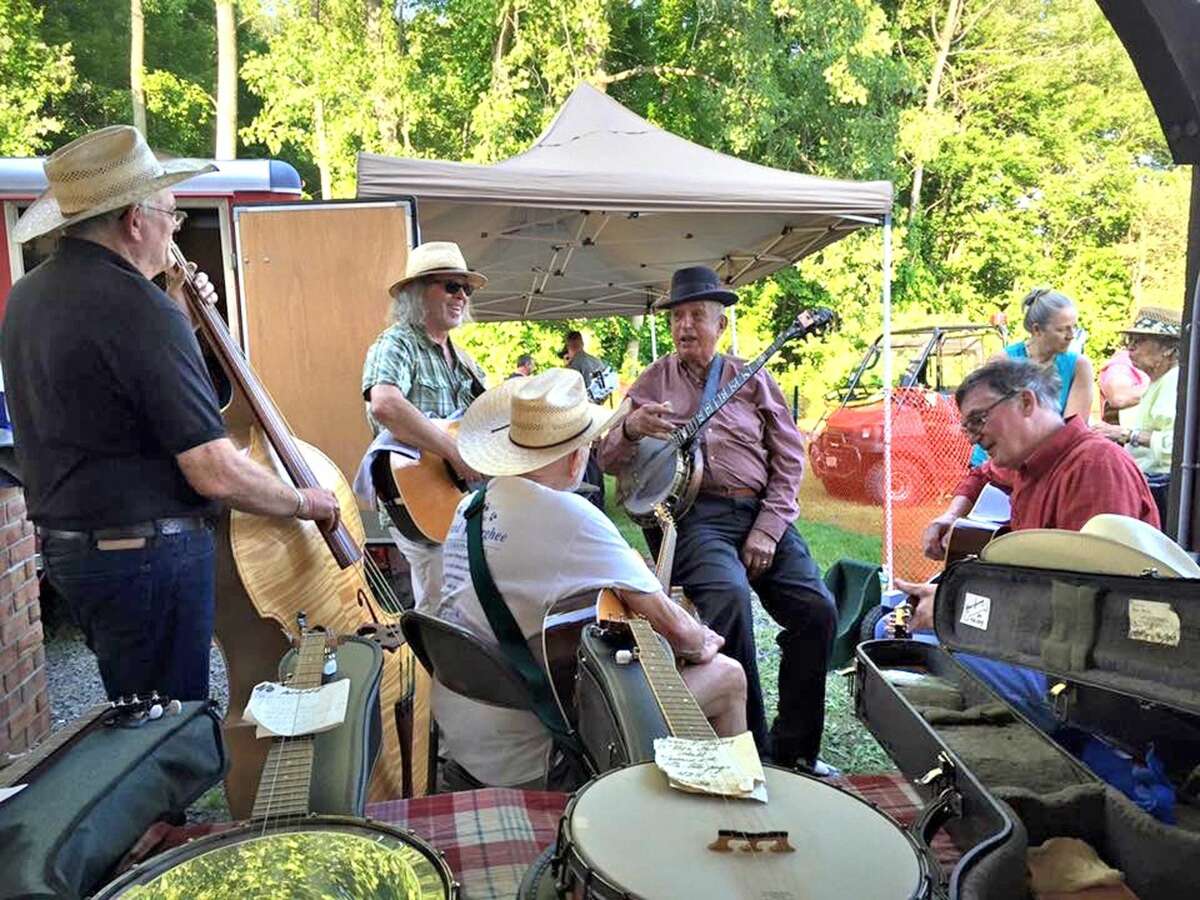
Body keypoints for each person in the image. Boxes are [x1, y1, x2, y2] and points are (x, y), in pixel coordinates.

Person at [0, 126, 338, 702]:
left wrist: (178, 306)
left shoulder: (30, 296)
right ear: (135, 220)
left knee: (135, 722)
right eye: (172, 215)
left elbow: (124, 404)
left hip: (78, 551)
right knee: (171, 731)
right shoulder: (138, 308)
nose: (174, 230)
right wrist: (308, 502)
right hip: (146, 556)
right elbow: (212, 468)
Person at [428, 369, 746, 787]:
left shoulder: (468, 508)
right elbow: (683, 634)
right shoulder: (573, 518)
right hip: (538, 749)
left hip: (465, 738)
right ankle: (733, 811)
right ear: (578, 457)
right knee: (728, 676)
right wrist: (702, 638)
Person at [599, 265, 837, 773]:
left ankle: (797, 750)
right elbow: (606, 460)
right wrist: (632, 430)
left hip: (761, 510)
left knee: (816, 609)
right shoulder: (650, 381)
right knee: (728, 599)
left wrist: (768, 529)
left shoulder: (752, 378)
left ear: (720, 325)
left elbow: (789, 458)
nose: (685, 326)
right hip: (693, 518)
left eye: (697, 316)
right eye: (678, 316)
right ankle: (750, 747)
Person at [362, 241, 488, 608]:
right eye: (451, 286)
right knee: (441, 607)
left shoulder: (463, 360)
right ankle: (435, 667)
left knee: (468, 601)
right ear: (418, 293)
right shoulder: (398, 343)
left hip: (461, 499)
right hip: (421, 499)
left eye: (466, 288)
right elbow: (385, 404)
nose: (462, 295)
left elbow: (488, 419)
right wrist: (452, 451)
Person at [969, 287, 1093, 466]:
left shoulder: (1079, 366)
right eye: (1062, 330)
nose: (1071, 336)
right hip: (996, 464)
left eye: (1074, 327)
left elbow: (1072, 431)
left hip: (1050, 464)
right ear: (1037, 330)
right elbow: (989, 424)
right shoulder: (1003, 362)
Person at [1093, 307, 1181, 526]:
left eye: (1139, 341)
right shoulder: (1159, 381)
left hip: (1162, 493)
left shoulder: (1173, 382)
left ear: (1168, 349)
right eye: (1129, 340)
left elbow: (1175, 448)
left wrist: (1124, 434)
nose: (1130, 348)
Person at [561, 331, 608, 509]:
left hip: (580, 420)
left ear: (570, 345)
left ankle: (590, 502)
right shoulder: (597, 362)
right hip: (597, 417)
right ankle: (599, 500)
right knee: (596, 463)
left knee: (584, 464)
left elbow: (567, 394)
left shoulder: (574, 366)